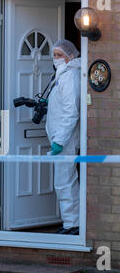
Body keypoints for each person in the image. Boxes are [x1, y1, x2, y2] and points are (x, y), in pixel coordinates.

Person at [46, 39, 81, 235]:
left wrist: (60, 140)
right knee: (64, 180)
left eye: (60, 55)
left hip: (64, 139)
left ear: (70, 56)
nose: (56, 59)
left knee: (65, 181)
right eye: (54, 55)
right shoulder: (62, 75)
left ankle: (72, 224)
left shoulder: (70, 76)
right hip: (59, 137)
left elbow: (70, 111)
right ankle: (70, 221)